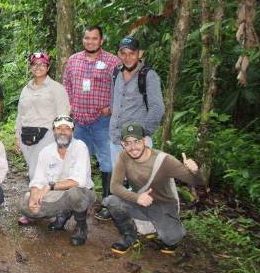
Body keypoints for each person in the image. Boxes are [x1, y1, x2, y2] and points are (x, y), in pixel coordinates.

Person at [104, 123, 206, 255]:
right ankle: (129, 236)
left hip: (162, 206)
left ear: (145, 141)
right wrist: (137, 198)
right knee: (112, 201)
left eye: (137, 141)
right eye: (128, 143)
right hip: (140, 203)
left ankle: (166, 227)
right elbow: (114, 186)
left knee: (172, 238)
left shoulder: (164, 160)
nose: (133, 147)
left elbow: (198, 182)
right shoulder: (124, 156)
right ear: (123, 144)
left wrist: (195, 171)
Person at [62, 25, 120, 220]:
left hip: (102, 121)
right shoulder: (73, 60)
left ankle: (107, 203)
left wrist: (111, 107)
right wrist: (70, 106)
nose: (90, 42)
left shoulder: (112, 62)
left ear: (101, 40)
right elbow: (67, 85)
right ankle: (81, 201)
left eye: (94, 38)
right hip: (79, 121)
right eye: (87, 38)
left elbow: (120, 88)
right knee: (78, 161)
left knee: (107, 160)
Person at [18, 115, 95, 246]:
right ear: (53, 131)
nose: (63, 132)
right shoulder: (46, 152)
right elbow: (37, 180)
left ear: (73, 132)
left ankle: (81, 226)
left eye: (67, 128)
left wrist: (50, 186)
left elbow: (79, 181)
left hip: (82, 192)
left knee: (74, 193)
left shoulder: (80, 147)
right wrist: (34, 197)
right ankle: (64, 212)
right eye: (59, 128)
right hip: (58, 194)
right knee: (25, 205)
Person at [14, 52, 71, 226]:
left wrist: (60, 139)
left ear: (48, 67)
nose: (38, 67)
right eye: (35, 64)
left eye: (42, 64)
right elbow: (20, 115)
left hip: (47, 135)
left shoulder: (56, 88)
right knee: (34, 172)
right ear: (31, 66)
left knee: (38, 173)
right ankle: (43, 207)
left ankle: (36, 211)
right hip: (27, 137)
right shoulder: (26, 88)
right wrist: (17, 137)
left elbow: (63, 114)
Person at [109, 36, 165, 172]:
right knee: (119, 182)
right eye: (124, 53)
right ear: (119, 54)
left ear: (140, 53)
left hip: (137, 143)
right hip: (116, 139)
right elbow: (113, 101)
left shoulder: (148, 75)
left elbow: (157, 108)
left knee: (141, 183)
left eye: (132, 53)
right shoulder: (116, 72)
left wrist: (141, 135)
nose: (127, 57)